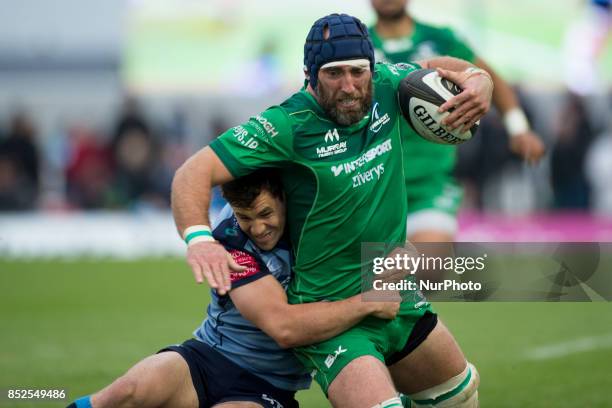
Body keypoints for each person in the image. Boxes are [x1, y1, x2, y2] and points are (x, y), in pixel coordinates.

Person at [172, 13, 492, 408]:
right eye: (333, 73)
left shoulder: (390, 86)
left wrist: (481, 82)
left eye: (358, 72)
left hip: (396, 293)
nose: (349, 87)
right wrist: (199, 238)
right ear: (310, 75)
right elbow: (193, 171)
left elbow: (440, 66)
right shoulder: (286, 125)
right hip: (330, 315)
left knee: (458, 397)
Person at [67, 169, 401, 408]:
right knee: (126, 391)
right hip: (206, 357)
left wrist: (407, 261)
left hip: (266, 385)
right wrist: (366, 303)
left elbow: (414, 258)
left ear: (284, 197)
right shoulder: (230, 238)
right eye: (245, 217)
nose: (257, 228)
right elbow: (283, 327)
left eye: (265, 213)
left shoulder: (320, 224)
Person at [369, 0, 546, 243]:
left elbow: (489, 78)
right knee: (383, 276)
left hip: (431, 184)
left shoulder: (441, 40)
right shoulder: (360, 48)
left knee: (428, 267)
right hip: (375, 187)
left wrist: (519, 129)